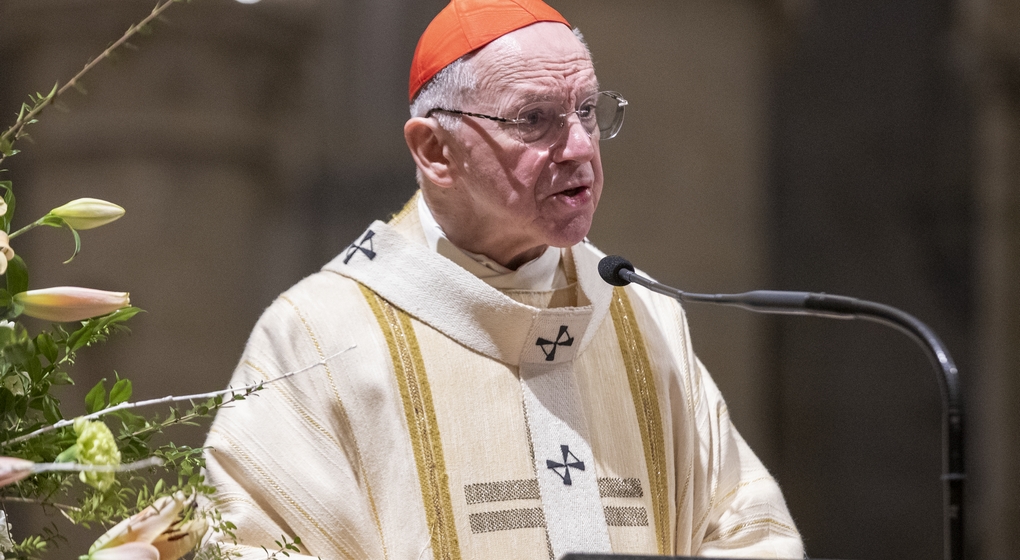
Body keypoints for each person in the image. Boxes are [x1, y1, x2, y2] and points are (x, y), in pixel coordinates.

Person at [203, 1, 804, 558]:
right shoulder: (318, 336)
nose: (578, 148)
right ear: (436, 151)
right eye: (534, 119)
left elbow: (746, 530)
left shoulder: (641, 314)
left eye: (588, 111)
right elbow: (253, 541)